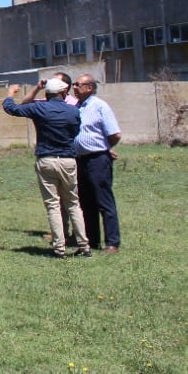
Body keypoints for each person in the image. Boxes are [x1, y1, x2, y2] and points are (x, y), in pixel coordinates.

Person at [2, 77, 91, 258]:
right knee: (73, 203)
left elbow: (11, 108)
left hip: (46, 159)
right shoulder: (73, 111)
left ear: (47, 93)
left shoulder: (39, 108)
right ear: (63, 92)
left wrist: (10, 94)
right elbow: (75, 131)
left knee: (53, 205)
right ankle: (84, 245)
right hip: (67, 160)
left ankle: (59, 248)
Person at [21, 72, 80, 245]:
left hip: (68, 155)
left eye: (55, 82)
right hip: (58, 156)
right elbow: (25, 104)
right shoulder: (46, 104)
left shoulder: (73, 105)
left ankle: (72, 238)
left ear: (65, 88)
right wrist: (38, 88)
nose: (50, 83)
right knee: (59, 200)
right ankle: (64, 234)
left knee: (70, 200)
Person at [71, 74, 122, 253]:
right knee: (85, 203)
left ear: (89, 88)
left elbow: (114, 134)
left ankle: (112, 242)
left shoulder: (99, 106)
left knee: (103, 201)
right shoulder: (77, 107)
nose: (74, 87)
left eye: (78, 84)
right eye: (74, 84)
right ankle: (91, 241)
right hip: (80, 160)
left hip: (98, 159)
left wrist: (104, 148)